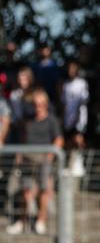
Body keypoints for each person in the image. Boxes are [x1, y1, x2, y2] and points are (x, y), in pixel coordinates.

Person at [6, 90, 63, 235]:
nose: (38, 107)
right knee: (26, 191)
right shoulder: (28, 120)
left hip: (44, 159)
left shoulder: (52, 120)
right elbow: (23, 139)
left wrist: (50, 156)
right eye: (35, 104)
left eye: (40, 104)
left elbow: (58, 139)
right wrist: (19, 155)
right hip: (27, 159)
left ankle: (40, 221)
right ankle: (22, 221)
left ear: (46, 104)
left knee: (44, 190)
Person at [60, 60, 89, 177]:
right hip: (68, 117)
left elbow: (83, 100)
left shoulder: (82, 83)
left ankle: (79, 161)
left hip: (79, 118)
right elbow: (63, 102)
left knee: (78, 139)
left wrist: (77, 116)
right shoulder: (65, 84)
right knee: (69, 141)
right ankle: (71, 164)